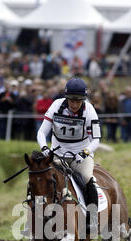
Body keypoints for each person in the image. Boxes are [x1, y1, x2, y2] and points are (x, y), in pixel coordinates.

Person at [37, 77, 101, 232]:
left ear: (83, 100)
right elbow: (41, 132)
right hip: (57, 154)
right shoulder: (56, 106)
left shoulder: (90, 111)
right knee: (42, 178)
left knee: (87, 179)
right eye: (71, 101)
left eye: (78, 101)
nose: (74, 105)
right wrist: (44, 148)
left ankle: (92, 220)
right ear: (66, 98)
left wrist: (85, 153)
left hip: (80, 156)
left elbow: (96, 139)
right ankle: (37, 217)